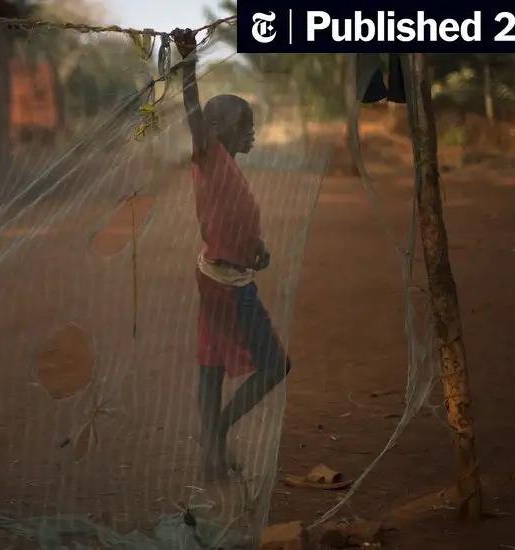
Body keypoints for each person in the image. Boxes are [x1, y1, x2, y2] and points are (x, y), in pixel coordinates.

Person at [171, 28, 292, 482]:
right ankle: (217, 435)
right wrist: (187, 64)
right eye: (246, 125)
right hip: (227, 286)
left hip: (221, 274)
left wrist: (255, 251)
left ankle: (212, 454)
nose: (254, 133)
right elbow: (191, 112)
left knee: (213, 365)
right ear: (218, 131)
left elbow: (235, 219)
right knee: (275, 366)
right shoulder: (211, 155)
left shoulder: (228, 170)